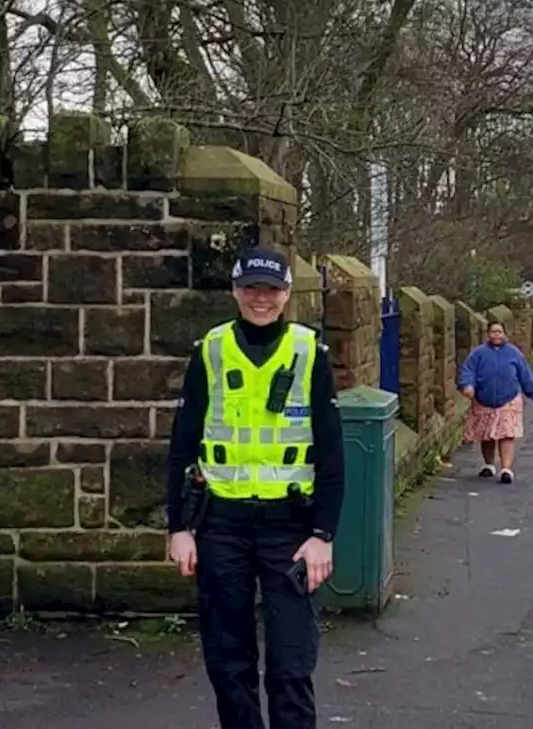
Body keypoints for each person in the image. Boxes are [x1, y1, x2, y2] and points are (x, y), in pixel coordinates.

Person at [165, 247, 344, 729]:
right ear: (235, 291)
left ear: (287, 294)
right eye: (250, 289)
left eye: (271, 290)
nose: (260, 299)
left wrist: (323, 534)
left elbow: (332, 453)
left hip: (291, 526)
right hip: (221, 524)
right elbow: (182, 444)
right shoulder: (211, 350)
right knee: (228, 661)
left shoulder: (310, 352)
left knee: (291, 666)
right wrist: (178, 527)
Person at [457, 319, 533, 484]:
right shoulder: (478, 353)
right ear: (488, 335)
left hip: (508, 399)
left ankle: (506, 469)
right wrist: (468, 385)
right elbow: (468, 371)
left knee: (507, 434)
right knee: (487, 435)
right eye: (493, 332)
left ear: (505, 334)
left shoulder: (514, 354)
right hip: (483, 399)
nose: (496, 335)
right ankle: (489, 465)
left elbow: (525, 376)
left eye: (499, 332)